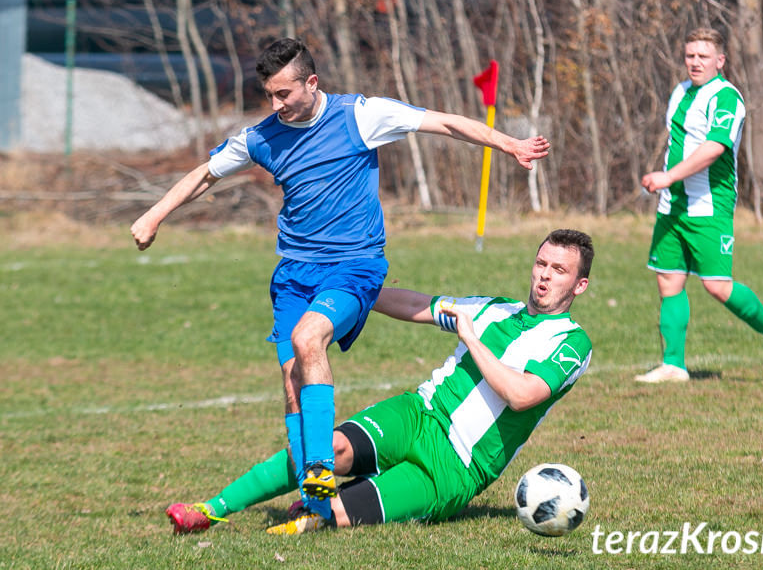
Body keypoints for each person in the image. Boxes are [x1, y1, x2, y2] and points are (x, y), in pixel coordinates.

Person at [131, 38, 551, 519]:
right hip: (293, 274)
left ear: (312, 82)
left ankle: (319, 471)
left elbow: (445, 123)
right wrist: (154, 216)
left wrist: (510, 143)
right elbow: (206, 174)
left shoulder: (361, 116)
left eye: (284, 93)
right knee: (291, 380)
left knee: (309, 339)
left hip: (355, 266)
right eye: (269, 94)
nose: (276, 105)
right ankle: (311, 501)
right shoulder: (262, 137)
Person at [164, 229, 594, 535]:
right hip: (418, 414)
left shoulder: (573, 343)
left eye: (558, 269)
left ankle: (317, 509)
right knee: (325, 448)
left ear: (580, 284)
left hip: (457, 466)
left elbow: (521, 395)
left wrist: (471, 338)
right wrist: (355, 288)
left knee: (329, 516)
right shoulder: (493, 309)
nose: (544, 275)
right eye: (541, 263)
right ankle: (210, 510)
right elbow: (416, 304)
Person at [637, 28, 763, 383]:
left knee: (717, 285)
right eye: (690, 55)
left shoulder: (727, 98)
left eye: (703, 56)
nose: (695, 62)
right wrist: (667, 185)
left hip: (709, 205)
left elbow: (714, 149)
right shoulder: (679, 92)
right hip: (672, 205)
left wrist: (666, 177)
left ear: (720, 60)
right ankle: (674, 365)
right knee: (668, 280)